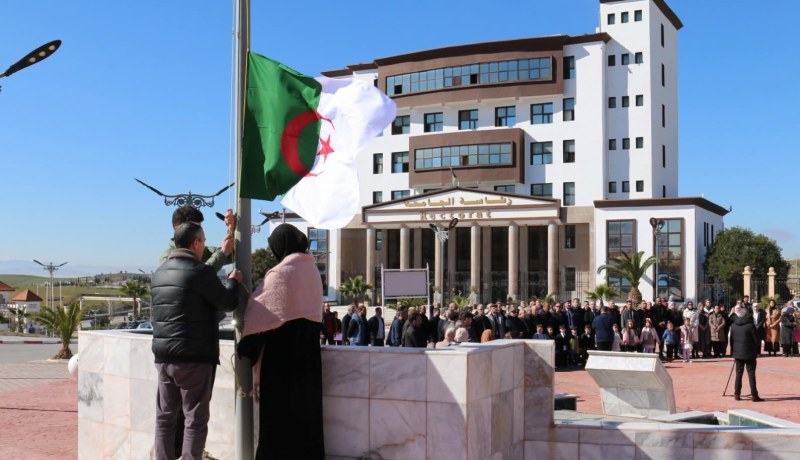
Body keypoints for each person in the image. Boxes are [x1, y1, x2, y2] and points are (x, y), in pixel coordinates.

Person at [151, 222, 242, 460]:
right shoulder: (200, 272)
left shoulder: (159, 272)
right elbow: (228, 302)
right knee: (195, 419)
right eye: (203, 241)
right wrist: (233, 282)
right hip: (194, 357)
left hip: (163, 357)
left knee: (165, 417)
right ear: (196, 242)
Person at [237, 223, 325, 458]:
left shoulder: (281, 273)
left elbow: (261, 313)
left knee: (278, 425)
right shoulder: (312, 271)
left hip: (282, 362)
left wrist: (246, 347)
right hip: (309, 361)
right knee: (306, 421)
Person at [729, 307, 763, 401]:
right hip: (749, 353)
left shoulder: (733, 325)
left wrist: (734, 352)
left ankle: (737, 394)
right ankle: (754, 395)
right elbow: (756, 341)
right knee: (751, 374)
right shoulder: (751, 326)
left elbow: (731, 341)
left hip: (738, 353)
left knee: (738, 374)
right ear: (746, 315)